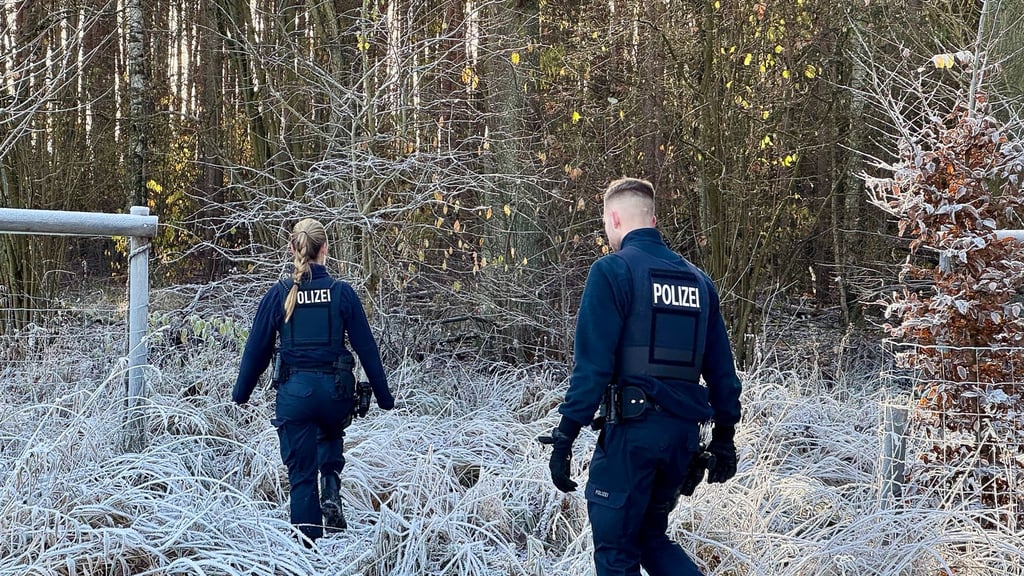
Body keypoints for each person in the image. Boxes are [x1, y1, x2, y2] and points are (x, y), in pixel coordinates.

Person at [541, 178, 742, 576]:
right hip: (682, 440)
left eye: (605, 222)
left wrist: (565, 437)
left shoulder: (612, 271)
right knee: (650, 537)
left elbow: (592, 368)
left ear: (613, 218)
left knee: (616, 552)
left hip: (632, 437)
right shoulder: (700, 283)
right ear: (652, 219)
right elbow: (723, 372)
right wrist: (724, 437)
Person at [232, 218, 394, 545]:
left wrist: (241, 394)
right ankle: (331, 482)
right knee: (330, 428)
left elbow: (255, 351)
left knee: (301, 476)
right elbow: (367, 348)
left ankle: (308, 549)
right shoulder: (342, 293)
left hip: (295, 396)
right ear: (325, 249)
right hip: (336, 393)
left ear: (292, 248)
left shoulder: (279, 295)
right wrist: (384, 397)